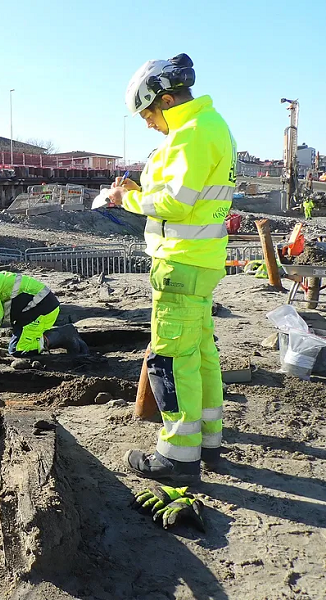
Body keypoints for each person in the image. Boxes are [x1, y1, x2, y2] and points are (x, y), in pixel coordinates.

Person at [107, 53, 236, 483]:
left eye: (146, 113)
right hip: (201, 262)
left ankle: (178, 457)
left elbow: (176, 203)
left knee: (170, 358)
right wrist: (142, 188)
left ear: (163, 100)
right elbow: (189, 196)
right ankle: (208, 441)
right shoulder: (210, 126)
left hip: (179, 263)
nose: (147, 123)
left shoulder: (192, 133)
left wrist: (126, 199)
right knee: (200, 354)